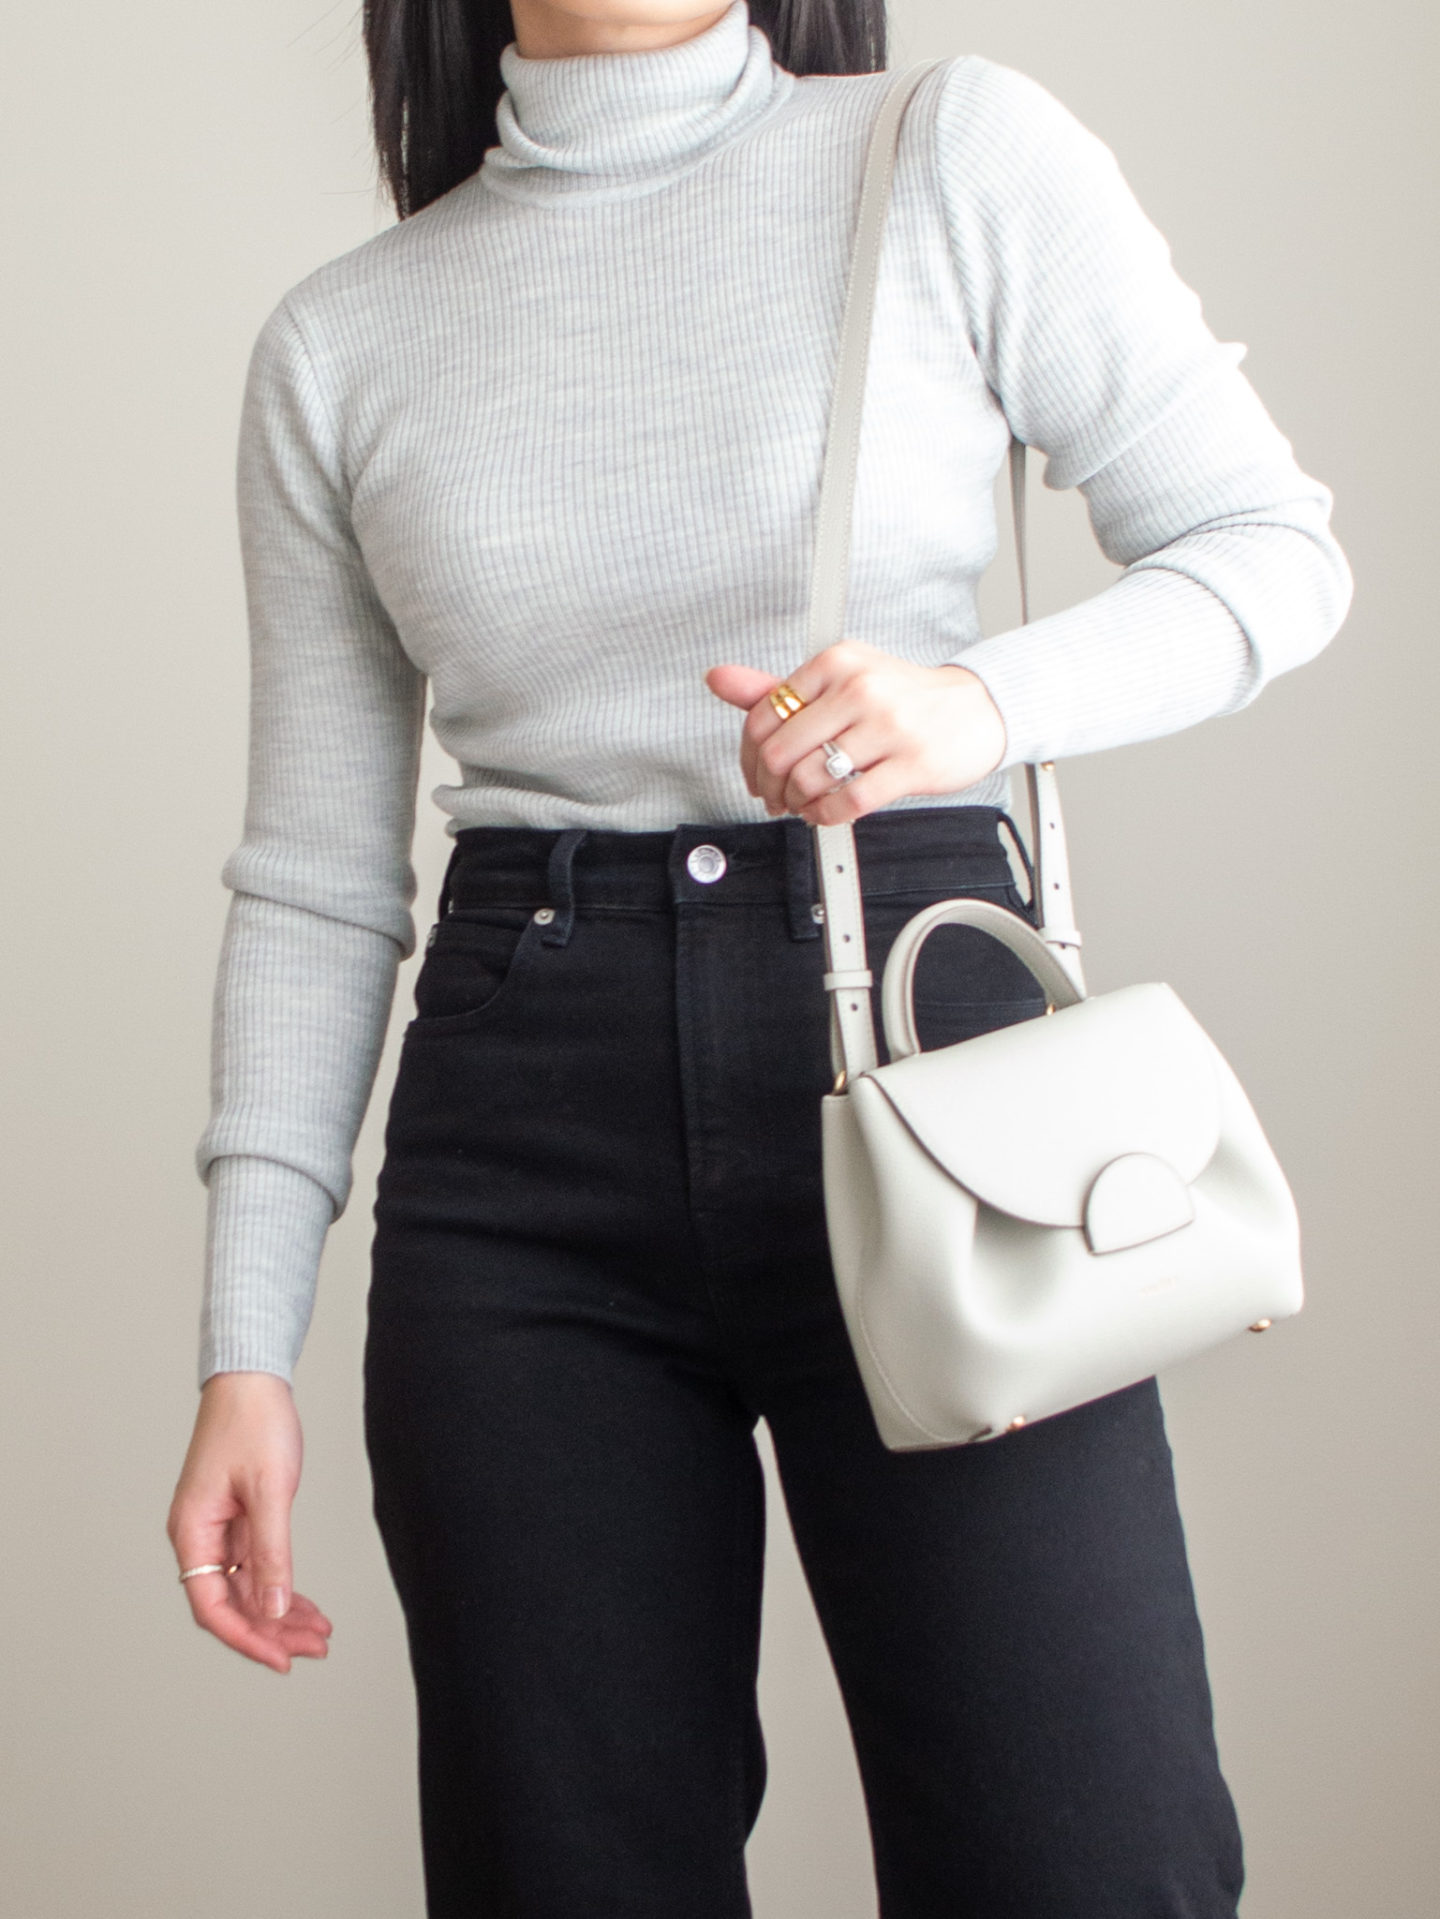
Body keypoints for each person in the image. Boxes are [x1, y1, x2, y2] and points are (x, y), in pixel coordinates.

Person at [167, 2, 1351, 1912]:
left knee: (1088, 1860)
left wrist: (973, 704)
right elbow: (316, 872)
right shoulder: (343, 340)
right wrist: (245, 1345)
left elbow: (1270, 549)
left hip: (918, 1044)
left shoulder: (949, 153)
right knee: (567, 1877)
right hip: (519, 1129)